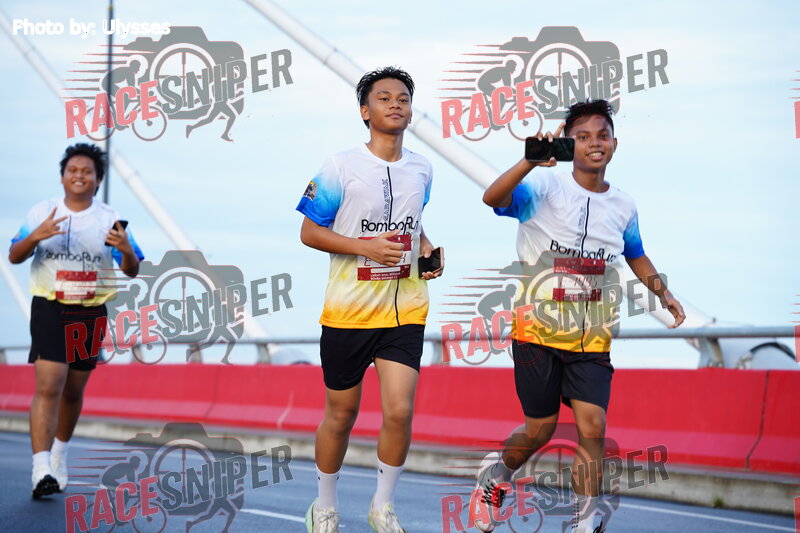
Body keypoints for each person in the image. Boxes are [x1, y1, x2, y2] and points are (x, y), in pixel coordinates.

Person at [472, 100, 685, 532]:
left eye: (602, 135)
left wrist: (663, 293)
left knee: (593, 426)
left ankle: (583, 522)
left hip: (592, 339)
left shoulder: (623, 205)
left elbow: (635, 253)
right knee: (540, 430)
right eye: (582, 137)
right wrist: (530, 161)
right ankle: (498, 474)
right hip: (536, 333)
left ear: (615, 144)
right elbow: (492, 198)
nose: (594, 143)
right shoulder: (544, 187)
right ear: (569, 144)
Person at [296, 66, 443, 533]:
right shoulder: (339, 167)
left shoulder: (422, 168)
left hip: (405, 309)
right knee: (341, 414)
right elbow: (309, 232)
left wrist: (426, 249)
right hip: (349, 310)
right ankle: (324, 506)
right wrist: (365, 247)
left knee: (399, 411)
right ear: (365, 111)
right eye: (384, 98)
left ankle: (382, 506)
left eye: (403, 98)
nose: (396, 104)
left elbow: (412, 222)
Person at [9, 143, 144, 499]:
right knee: (50, 384)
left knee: (73, 390)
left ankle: (59, 454)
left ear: (98, 180)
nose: (79, 176)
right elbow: (15, 255)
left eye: (87, 172)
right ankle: (41, 468)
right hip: (50, 305)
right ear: (62, 177)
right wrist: (35, 236)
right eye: (73, 170)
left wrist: (125, 249)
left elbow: (132, 269)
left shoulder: (109, 218)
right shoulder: (43, 211)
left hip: (90, 309)